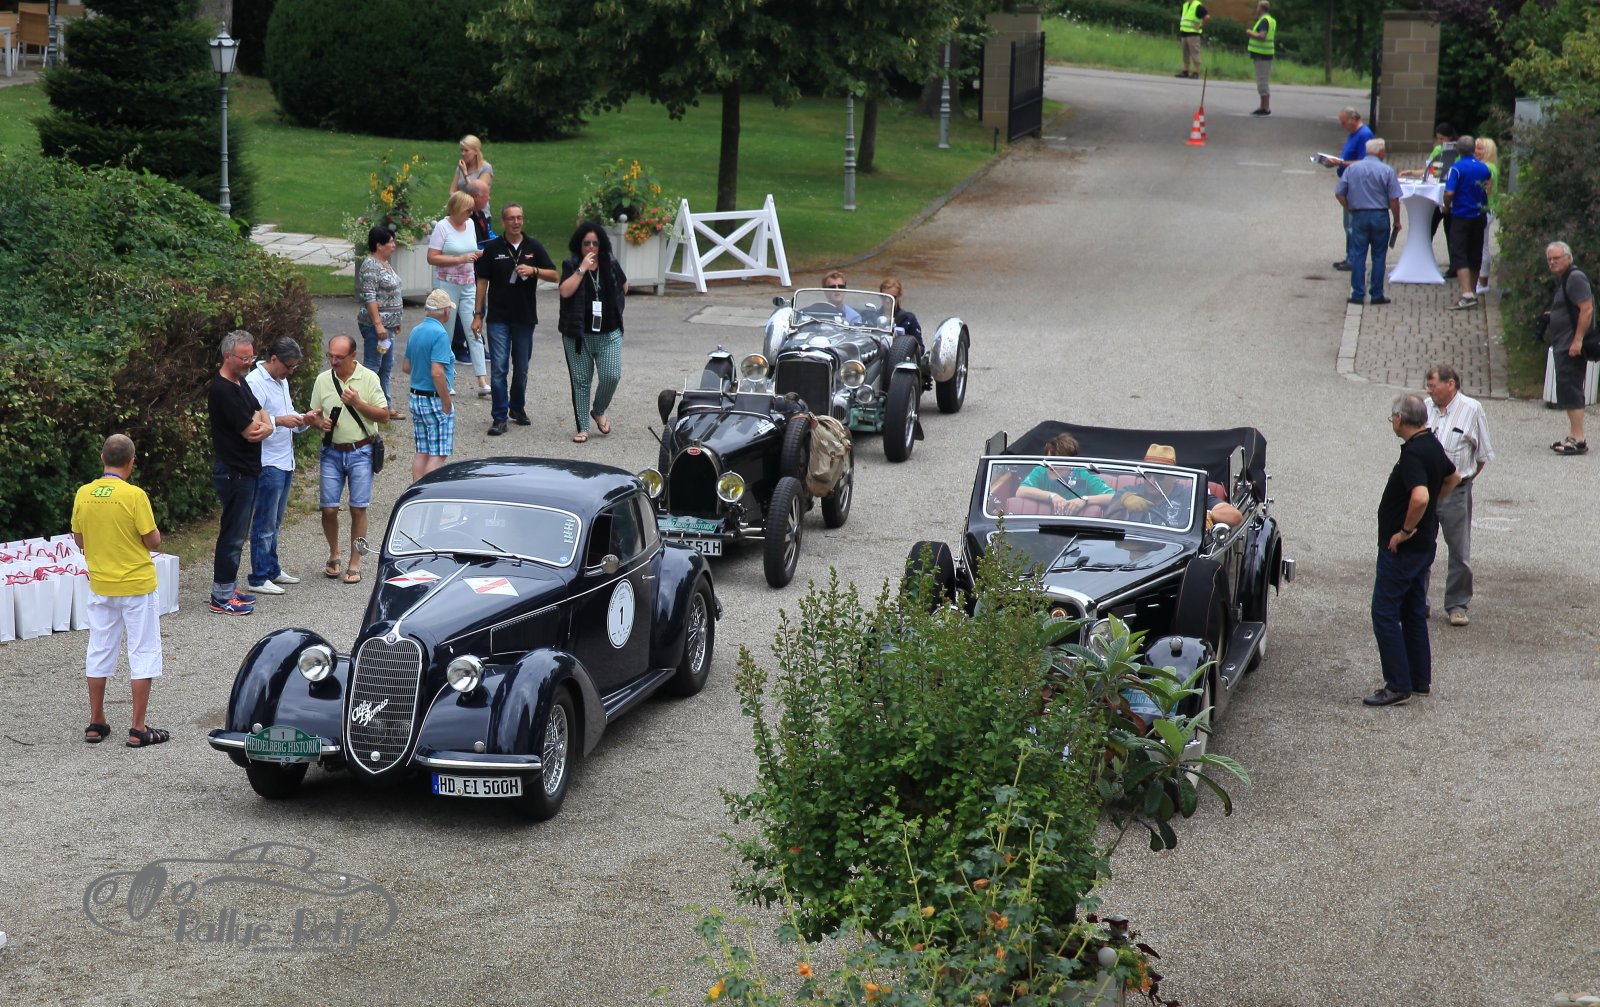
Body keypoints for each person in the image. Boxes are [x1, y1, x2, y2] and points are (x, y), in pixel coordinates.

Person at [70, 434, 167, 747]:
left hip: (101, 584)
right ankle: (138, 728)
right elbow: (153, 541)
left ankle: (96, 721)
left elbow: (79, 539)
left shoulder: (83, 494)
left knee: (99, 649)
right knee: (143, 650)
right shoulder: (134, 495)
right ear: (131, 462)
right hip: (137, 585)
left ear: (102, 458)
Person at [1366, 393, 1458, 707]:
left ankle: (1397, 685)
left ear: (1399, 419)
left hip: (1403, 551)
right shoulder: (1432, 444)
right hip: (1424, 546)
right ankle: (1419, 679)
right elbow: (1453, 477)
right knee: (1413, 610)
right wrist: (1432, 507)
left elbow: (1419, 496)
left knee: (1384, 611)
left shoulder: (1414, 455)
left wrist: (1404, 531)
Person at [309, 333, 389, 584]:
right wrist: (319, 423)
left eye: (339, 357)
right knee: (329, 508)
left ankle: (355, 562)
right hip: (331, 451)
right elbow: (314, 414)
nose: (333, 361)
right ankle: (334, 553)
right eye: (330, 356)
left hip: (361, 451)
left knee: (358, 508)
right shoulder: (323, 380)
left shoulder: (369, 378)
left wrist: (358, 403)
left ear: (353, 356)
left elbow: (384, 416)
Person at [474, 202, 558, 436]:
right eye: (511, 218)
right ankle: (499, 416)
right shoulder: (493, 248)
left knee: (521, 368)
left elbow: (554, 274)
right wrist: (478, 314)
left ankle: (517, 407)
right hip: (498, 318)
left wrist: (534, 271)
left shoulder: (533, 246)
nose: (516, 222)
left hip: (524, 317)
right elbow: (482, 282)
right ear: (503, 221)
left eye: (519, 217)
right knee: (499, 369)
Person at [244, 337, 319, 595]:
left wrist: (304, 419)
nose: (291, 371)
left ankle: (272, 569)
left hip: (285, 459)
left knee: (275, 521)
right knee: (264, 522)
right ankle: (258, 576)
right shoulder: (255, 382)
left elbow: (286, 413)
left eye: (295, 366)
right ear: (273, 359)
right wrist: (280, 421)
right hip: (267, 461)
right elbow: (252, 421)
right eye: (289, 366)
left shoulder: (281, 380)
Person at [208, 330, 273, 615]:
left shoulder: (240, 381)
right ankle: (221, 596)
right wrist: (262, 425)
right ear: (228, 356)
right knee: (233, 534)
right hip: (233, 471)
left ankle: (228, 586)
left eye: (251, 357)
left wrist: (265, 425)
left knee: (238, 532)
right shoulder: (222, 389)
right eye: (244, 358)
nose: (250, 363)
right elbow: (250, 431)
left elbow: (261, 412)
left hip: (247, 469)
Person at [1424, 363, 1493, 627]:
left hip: (1456, 490)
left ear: (1450, 384)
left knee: (1459, 551)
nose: (1429, 391)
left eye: (1433, 386)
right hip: (1426, 489)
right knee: (1420, 546)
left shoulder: (1472, 409)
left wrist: (1462, 482)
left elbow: (1482, 455)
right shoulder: (1425, 407)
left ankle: (1457, 605)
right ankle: (1418, 602)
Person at [558, 222, 629, 444]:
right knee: (581, 382)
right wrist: (582, 269)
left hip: (609, 333)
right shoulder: (571, 264)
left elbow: (625, 286)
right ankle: (583, 427)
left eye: (595, 244)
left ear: (601, 245)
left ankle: (598, 410)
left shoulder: (611, 263)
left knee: (611, 375)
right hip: (578, 335)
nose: (591, 247)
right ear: (579, 245)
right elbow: (565, 291)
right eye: (586, 243)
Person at [429, 190, 490, 398]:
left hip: (468, 284)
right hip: (447, 285)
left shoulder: (470, 224)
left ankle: (482, 379)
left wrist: (480, 254)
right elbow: (432, 257)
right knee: (445, 332)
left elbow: (470, 250)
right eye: (468, 210)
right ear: (457, 209)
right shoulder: (442, 227)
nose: (471, 214)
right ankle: (446, 379)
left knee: (474, 328)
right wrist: (459, 259)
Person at [1333, 137, 1402, 306]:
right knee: (1379, 256)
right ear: (1381, 153)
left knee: (1358, 255)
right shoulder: (1387, 171)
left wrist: (1350, 208)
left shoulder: (1352, 169)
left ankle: (1357, 294)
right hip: (1380, 216)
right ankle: (1377, 294)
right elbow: (1394, 199)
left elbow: (1339, 192)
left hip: (1359, 215)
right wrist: (1397, 220)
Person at [1543, 241, 1592, 456]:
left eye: (1557, 258)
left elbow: (1587, 309)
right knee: (1566, 387)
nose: (1552, 262)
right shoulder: (1566, 279)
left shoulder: (1575, 277)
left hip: (1571, 344)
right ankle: (1573, 434)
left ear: (1568, 258)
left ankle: (1578, 438)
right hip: (1563, 342)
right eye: (1549, 259)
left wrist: (1577, 340)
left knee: (1572, 388)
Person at [405, 290, 458, 477]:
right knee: (438, 454)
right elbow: (437, 372)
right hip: (433, 398)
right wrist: (446, 401)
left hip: (416, 397)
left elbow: (406, 366)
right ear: (446, 311)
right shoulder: (440, 334)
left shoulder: (416, 330)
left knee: (422, 451)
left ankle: (416, 491)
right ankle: (429, 491)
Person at [356, 224, 403, 414]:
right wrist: (378, 325)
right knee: (373, 366)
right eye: (390, 242)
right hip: (376, 328)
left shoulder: (385, 263)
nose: (394, 245)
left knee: (386, 366)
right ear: (379, 245)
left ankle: (385, 406)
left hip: (387, 327)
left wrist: (395, 321)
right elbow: (370, 297)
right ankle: (366, 406)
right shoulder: (370, 266)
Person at [1442, 135, 1492, 310]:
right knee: (1475, 252)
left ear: (1458, 151)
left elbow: (1449, 192)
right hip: (1479, 214)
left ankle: (1466, 293)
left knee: (1459, 252)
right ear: (1473, 149)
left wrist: (1446, 207)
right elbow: (1487, 186)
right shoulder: (1484, 167)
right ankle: (1473, 291)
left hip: (1462, 214)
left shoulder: (1456, 168)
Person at [1015, 432, 1117, 516]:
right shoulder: (1040, 471)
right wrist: (1052, 496)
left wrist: (1085, 500)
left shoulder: (1082, 476)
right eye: (1049, 461)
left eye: (1059, 462)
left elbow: (1114, 497)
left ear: (1070, 462)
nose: (1052, 467)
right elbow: (1021, 491)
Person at [1329, 107, 1374, 270]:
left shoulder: (1364, 135)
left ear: (1353, 119)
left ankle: (1354, 258)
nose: (1342, 126)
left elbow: (1365, 161)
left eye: (1344, 122)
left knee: (1353, 223)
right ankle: (1350, 256)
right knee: (1348, 223)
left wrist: (1341, 163)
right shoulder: (1355, 133)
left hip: (1356, 184)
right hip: (1349, 181)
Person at [1475, 137, 1500, 295]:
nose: (1476, 151)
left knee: (1482, 246)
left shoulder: (1487, 168)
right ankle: (1480, 279)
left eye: (1480, 149)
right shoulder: (1490, 166)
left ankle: (1483, 281)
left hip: (1486, 209)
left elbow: (1486, 189)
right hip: (1487, 209)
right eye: (1476, 148)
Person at [1244, 2, 1275, 116]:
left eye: (1257, 7)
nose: (1256, 9)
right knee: (1262, 80)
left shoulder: (1264, 21)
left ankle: (1265, 108)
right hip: (1264, 54)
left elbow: (1262, 36)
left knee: (1262, 81)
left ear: (1261, 9)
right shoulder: (1270, 20)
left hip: (1262, 55)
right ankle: (1262, 106)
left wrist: (1250, 33)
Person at [877, 276, 922, 349]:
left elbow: (920, 348)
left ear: (899, 297)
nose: (887, 300)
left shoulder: (908, 319)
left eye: (892, 297)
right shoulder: (871, 317)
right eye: (884, 296)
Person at [450, 135, 494, 209]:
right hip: (461, 210)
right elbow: (452, 191)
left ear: (476, 151)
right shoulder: (461, 166)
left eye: (466, 150)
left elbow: (477, 192)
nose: (463, 153)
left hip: (479, 211)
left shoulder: (486, 168)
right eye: (461, 150)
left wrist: (465, 173)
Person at [1176, 0, 1208, 79]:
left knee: (1195, 53)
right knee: (1185, 53)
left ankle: (1196, 72)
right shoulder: (1185, 5)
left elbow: (1207, 17)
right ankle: (1185, 71)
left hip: (1193, 34)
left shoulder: (1198, 6)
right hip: (1184, 33)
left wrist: (1201, 26)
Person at [467, 179, 495, 246]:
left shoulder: (480, 213)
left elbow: (486, 237)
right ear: (476, 196)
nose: (489, 198)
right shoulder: (461, 216)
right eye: (486, 195)